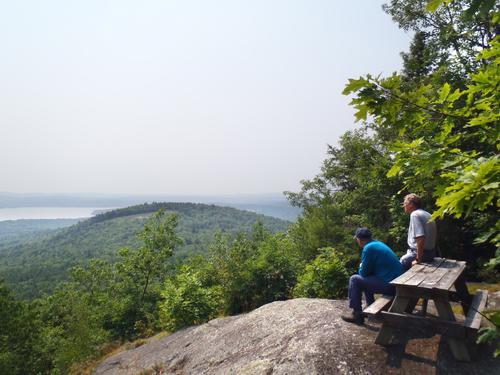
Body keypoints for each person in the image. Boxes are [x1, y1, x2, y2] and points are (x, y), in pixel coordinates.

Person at [341, 227, 404, 325]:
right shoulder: (378, 244)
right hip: (398, 282)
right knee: (366, 279)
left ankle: (356, 315)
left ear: (359, 240)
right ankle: (370, 306)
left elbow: (363, 273)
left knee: (355, 279)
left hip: (391, 285)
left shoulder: (368, 248)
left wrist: (361, 266)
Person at [400, 193, 437, 270]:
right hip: (431, 253)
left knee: (399, 266)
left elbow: (420, 238)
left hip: (421, 254)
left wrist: (418, 259)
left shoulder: (415, 215)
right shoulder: (427, 214)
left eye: (405, 203)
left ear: (411, 204)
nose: (404, 205)